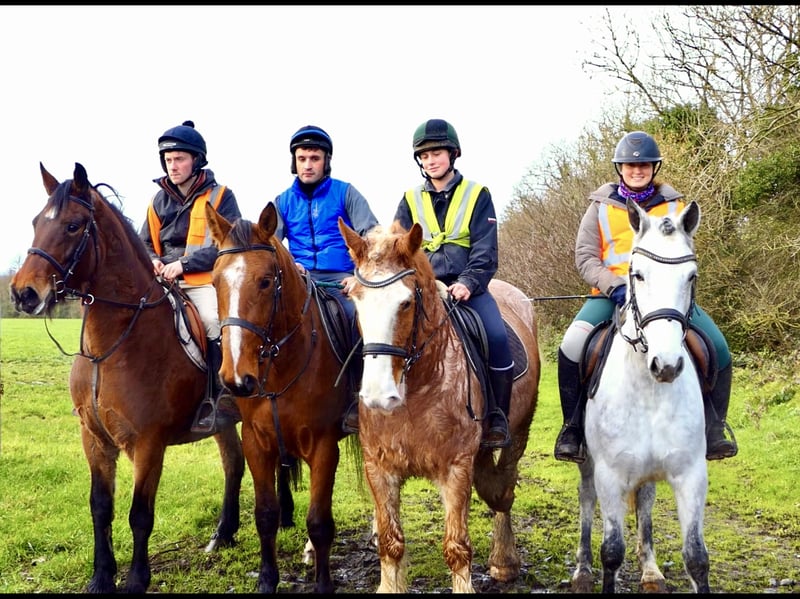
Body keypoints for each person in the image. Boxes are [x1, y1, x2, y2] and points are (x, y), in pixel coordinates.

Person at [553, 130, 738, 463]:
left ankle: (714, 429)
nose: (637, 171)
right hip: (611, 295)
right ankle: (572, 429)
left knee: (719, 348)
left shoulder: (675, 206)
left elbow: (685, 254)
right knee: (571, 346)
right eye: (630, 166)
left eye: (644, 166)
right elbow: (585, 256)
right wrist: (614, 285)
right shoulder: (600, 207)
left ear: (654, 168)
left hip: (666, 299)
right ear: (619, 168)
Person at [393, 118, 514, 449]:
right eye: (424, 156)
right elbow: (399, 250)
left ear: (453, 154)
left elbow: (486, 251)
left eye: (437, 153)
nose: (431, 161)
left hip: (467, 289)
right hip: (424, 289)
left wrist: (468, 283)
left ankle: (498, 417)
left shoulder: (477, 195)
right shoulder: (409, 199)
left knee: (497, 337)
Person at [271, 125, 379, 433]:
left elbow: (371, 239)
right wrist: (291, 264)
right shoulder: (282, 201)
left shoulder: (346, 193)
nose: (308, 165)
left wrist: (359, 277)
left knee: (360, 324)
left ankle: (357, 400)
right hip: (301, 280)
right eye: (302, 158)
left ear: (326, 161)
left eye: (314, 158)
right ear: (294, 162)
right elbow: (270, 245)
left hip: (343, 280)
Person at [139, 120, 242, 435]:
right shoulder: (157, 201)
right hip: (162, 280)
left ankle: (219, 396)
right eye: (168, 160)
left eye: (179, 159)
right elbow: (144, 242)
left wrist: (183, 264)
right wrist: (153, 260)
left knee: (212, 320)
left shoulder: (222, 196)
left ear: (197, 160)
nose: (173, 166)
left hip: (204, 281)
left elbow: (228, 243)